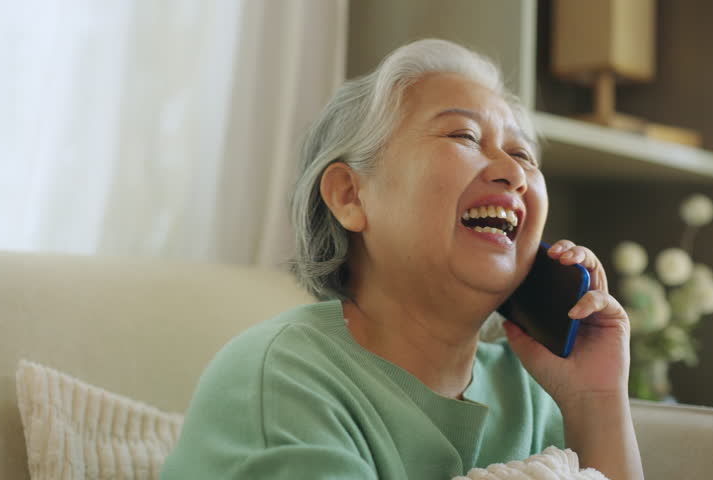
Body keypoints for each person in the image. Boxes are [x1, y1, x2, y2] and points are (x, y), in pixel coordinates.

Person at [161, 39, 643, 480]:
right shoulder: (280, 377)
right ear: (350, 195)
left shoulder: (535, 393)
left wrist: (594, 400)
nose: (513, 173)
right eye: (465, 137)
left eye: (523, 154)